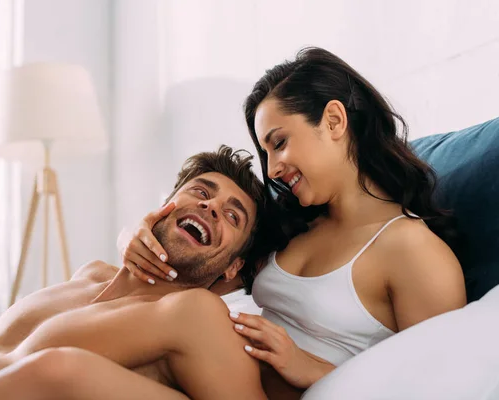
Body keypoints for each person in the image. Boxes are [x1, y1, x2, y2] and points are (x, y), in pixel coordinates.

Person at [119, 47, 467, 393]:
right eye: (266, 152)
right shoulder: (290, 222)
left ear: (334, 121)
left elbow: (439, 388)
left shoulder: (414, 251)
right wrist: (137, 240)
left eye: (280, 143)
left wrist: (313, 370)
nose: (272, 170)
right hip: (195, 374)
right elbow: (201, 270)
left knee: (69, 367)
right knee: (88, 300)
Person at [0, 146, 273, 400]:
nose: (209, 206)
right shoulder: (90, 273)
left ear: (233, 267)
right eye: (200, 192)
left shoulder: (198, 315)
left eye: (231, 215)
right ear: (164, 206)